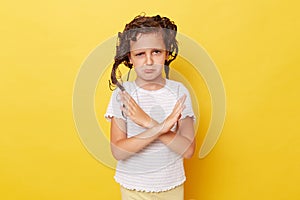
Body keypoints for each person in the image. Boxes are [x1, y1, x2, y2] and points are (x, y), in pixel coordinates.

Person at [105, 14, 196, 200]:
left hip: (171, 186)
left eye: (156, 52)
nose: (148, 61)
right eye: (140, 54)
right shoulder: (123, 95)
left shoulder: (179, 92)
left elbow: (187, 150)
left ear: (167, 53)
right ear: (129, 58)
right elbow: (119, 151)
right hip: (133, 188)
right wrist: (162, 127)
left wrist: (148, 122)